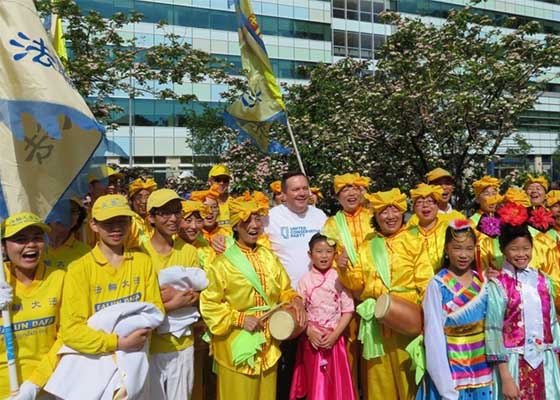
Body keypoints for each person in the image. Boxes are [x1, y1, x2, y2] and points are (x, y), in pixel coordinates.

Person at [200, 196, 305, 400]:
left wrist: (295, 299)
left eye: (258, 219)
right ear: (236, 226)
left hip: (268, 342)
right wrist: (239, 319)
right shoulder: (221, 263)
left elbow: (284, 289)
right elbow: (210, 304)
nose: (254, 225)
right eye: (247, 221)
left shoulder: (268, 256)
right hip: (236, 343)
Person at [59, 194, 163, 395]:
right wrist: (118, 342)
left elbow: (155, 309)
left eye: (122, 221)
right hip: (96, 367)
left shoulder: (143, 261)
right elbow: (71, 330)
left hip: (137, 363)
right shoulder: (79, 269)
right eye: (108, 223)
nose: (116, 228)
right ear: (93, 225)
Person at [337, 188, 433, 400]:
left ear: (402, 212)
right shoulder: (367, 245)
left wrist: (427, 320)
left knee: (409, 377)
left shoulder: (414, 242)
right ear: (376, 216)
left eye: (394, 210)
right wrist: (343, 269)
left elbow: (426, 284)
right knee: (378, 382)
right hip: (376, 323)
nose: (390, 217)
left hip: (406, 321)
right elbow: (356, 282)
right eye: (383, 212)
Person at [264, 171, 327, 399]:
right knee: (287, 364)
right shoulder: (270, 218)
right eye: (295, 189)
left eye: (304, 188)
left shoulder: (319, 216)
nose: (301, 193)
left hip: (319, 301)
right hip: (287, 303)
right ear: (283, 194)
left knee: (315, 362)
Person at [417, 219, 492, 399]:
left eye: (468, 248)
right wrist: (445, 387)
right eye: (457, 248)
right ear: (446, 250)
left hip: (483, 368)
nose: (463, 254)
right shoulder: (438, 284)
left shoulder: (482, 282)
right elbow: (434, 335)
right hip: (452, 370)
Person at [485, 221, 560, 399]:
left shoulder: (543, 281)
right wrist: (505, 378)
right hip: (512, 363)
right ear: (503, 250)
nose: (521, 254)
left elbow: (552, 325)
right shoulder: (498, 284)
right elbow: (493, 330)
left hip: (545, 363)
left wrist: (556, 367)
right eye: (514, 249)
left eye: (526, 248)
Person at [143, 189, 203, 399]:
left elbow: (195, 296)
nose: (173, 218)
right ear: (151, 217)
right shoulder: (140, 254)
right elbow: (141, 301)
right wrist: (173, 302)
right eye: (165, 213)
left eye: (177, 212)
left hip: (182, 345)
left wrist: (171, 297)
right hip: (149, 346)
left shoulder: (189, 252)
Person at [0, 212, 65, 399]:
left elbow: (66, 337)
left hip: (50, 387)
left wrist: (35, 384)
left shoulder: (60, 278)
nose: (30, 245)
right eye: (20, 239)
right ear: (3, 247)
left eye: (37, 238)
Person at [321, 172, 373, 393]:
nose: (351, 194)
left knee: (374, 355)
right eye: (344, 190)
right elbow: (325, 259)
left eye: (355, 188)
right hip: (346, 299)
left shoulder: (373, 217)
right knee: (350, 351)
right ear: (337, 196)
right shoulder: (332, 223)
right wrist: (337, 265)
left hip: (374, 294)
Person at [290, 233, 355, 400]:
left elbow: (348, 310)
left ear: (335, 254)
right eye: (319, 251)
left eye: (328, 251)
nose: (324, 255)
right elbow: (299, 312)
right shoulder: (304, 281)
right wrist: (309, 331)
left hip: (335, 339)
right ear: (310, 255)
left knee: (336, 382)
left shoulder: (339, 278)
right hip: (312, 340)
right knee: (315, 382)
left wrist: (335, 335)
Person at [407, 183, 448, 272]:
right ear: (414, 208)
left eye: (430, 201)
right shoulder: (407, 234)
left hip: (445, 281)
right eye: (420, 202)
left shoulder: (448, 230)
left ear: (438, 206)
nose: (425, 205)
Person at [44, 198, 90, 269]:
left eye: (72, 211)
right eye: (61, 210)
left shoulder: (85, 253)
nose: (66, 217)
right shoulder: (33, 248)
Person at [190, 185, 231, 249]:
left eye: (214, 207)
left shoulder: (226, 234)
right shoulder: (190, 234)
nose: (210, 212)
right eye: (205, 207)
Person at [128, 177, 157, 243]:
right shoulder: (129, 222)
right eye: (139, 197)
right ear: (131, 201)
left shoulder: (154, 221)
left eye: (147, 197)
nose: (144, 201)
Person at [208, 164, 233, 234]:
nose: (222, 183)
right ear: (210, 181)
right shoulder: (204, 202)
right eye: (218, 180)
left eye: (225, 180)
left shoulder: (235, 202)